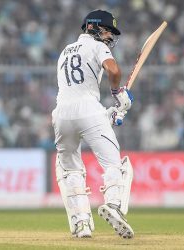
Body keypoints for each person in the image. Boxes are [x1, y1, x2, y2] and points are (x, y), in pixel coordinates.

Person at [52, 9, 134, 239]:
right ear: (93, 27)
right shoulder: (97, 46)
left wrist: (108, 115)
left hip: (61, 115)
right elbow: (113, 70)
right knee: (114, 164)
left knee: (71, 170)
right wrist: (118, 94)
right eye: (108, 30)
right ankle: (114, 205)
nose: (110, 36)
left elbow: (76, 93)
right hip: (89, 110)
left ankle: (81, 223)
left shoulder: (65, 51)